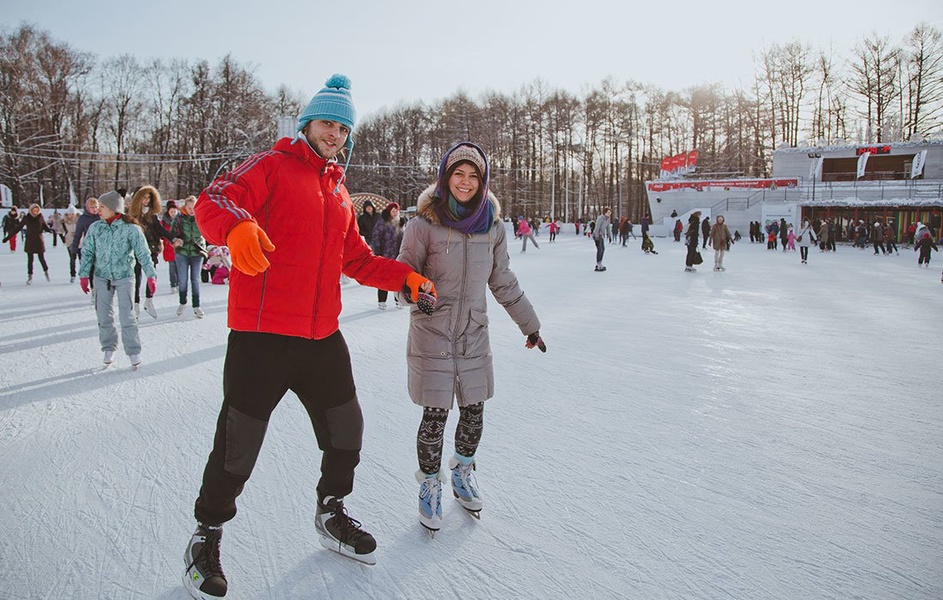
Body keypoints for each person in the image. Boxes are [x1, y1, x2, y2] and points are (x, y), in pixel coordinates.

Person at [184, 74, 436, 598]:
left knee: (347, 433)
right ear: (307, 123)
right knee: (237, 449)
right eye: (328, 123)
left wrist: (405, 279)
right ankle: (205, 538)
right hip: (261, 338)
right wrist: (235, 227)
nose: (335, 134)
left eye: (344, 128)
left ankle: (331, 512)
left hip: (321, 338)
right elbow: (212, 200)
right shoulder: (272, 166)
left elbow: (358, 260)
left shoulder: (338, 192)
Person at [396, 141, 544, 532]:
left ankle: (462, 471)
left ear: (483, 181)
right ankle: (430, 484)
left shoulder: (492, 228)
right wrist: (415, 292)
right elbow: (400, 276)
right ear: (446, 177)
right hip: (433, 333)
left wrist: (530, 324)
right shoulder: (422, 225)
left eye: (473, 175)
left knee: (475, 411)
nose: (465, 182)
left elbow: (503, 281)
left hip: (474, 333)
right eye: (458, 174)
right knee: (435, 414)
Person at [77, 191, 156, 367]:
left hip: (124, 277)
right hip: (101, 276)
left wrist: (151, 275)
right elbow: (88, 252)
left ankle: (133, 351)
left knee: (127, 315)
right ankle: (108, 347)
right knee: (104, 315)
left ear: (114, 208)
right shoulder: (96, 228)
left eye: (102, 206)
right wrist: (83, 275)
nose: (98, 209)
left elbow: (143, 253)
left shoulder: (131, 229)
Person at [128, 185, 175, 319]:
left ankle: (149, 300)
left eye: (149, 197)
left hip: (151, 249)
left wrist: (172, 238)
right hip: (136, 250)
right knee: (136, 277)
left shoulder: (151, 214)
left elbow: (160, 229)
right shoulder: (131, 215)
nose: (146, 200)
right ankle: (135, 305)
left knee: (151, 276)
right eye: (144, 197)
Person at [169, 195, 208, 318]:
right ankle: (182, 302)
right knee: (183, 279)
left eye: (194, 207)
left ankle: (196, 305)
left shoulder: (201, 217)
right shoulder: (179, 218)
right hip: (182, 253)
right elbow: (172, 234)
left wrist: (203, 244)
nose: (192, 210)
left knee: (195, 279)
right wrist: (176, 240)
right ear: (185, 207)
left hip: (197, 253)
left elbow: (207, 232)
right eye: (189, 207)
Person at [2, 203, 54, 284]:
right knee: (30, 260)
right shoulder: (27, 218)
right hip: (30, 240)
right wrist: (7, 238)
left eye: (37, 211)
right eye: (34, 211)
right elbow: (18, 228)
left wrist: (50, 230)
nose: (35, 212)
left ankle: (46, 271)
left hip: (39, 240)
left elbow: (45, 226)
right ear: (31, 210)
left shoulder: (40, 217)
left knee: (41, 258)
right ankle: (30, 276)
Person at [370, 201, 404, 309]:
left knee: (398, 278)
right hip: (385, 254)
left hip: (398, 255)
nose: (395, 213)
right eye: (393, 211)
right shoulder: (382, 222)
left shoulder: (401, 223)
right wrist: (378, 252)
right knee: (384, 278)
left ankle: (398, 300)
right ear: (389, 212)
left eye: (397, 211)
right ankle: (382, 300)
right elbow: (376, 237)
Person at [71, 198, 101, 292]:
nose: (94, 209)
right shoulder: (82, 219)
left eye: (96, 207)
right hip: (90, 246)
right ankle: (93, 289)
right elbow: (77, 234)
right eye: (92, 207)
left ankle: (101, 289)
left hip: (102, 246)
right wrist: (74, 248)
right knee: (91, 268)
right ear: (87, 207)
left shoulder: (101, 216)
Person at [161, 201, 179, 292]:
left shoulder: (180, 220)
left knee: (180, 267)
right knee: (172, 267)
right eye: (171, 211)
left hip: (179, 247)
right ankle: (173, 284)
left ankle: (180, 283)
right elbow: (161, 233)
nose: (173, 213)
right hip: (169, 248)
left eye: (174, 211)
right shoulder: (164, 222)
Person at [62, 205, 80, 282]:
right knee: (72, 259)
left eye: (73, 214)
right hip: (70, 242)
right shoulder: (64, 221)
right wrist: (64, 238)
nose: (71, 216)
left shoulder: (80, 220)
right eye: (70, 214)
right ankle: (72, 275)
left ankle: (84, 274)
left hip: (80, 242)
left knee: (82, 259)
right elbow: (61, 230)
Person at [592, 207, 612, 271]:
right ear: (605, 212)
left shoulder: (608, 219)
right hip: (597, 235)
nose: (609, 214)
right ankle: (598, 265)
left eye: (610, 213)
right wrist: (596, 237)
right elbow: (597, 227)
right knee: (600, 249)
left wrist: (609, 236)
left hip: (602, 235)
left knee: (603, 249)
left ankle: (600, 263)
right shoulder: (601, 218)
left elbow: (608, 227)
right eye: (608, 212)